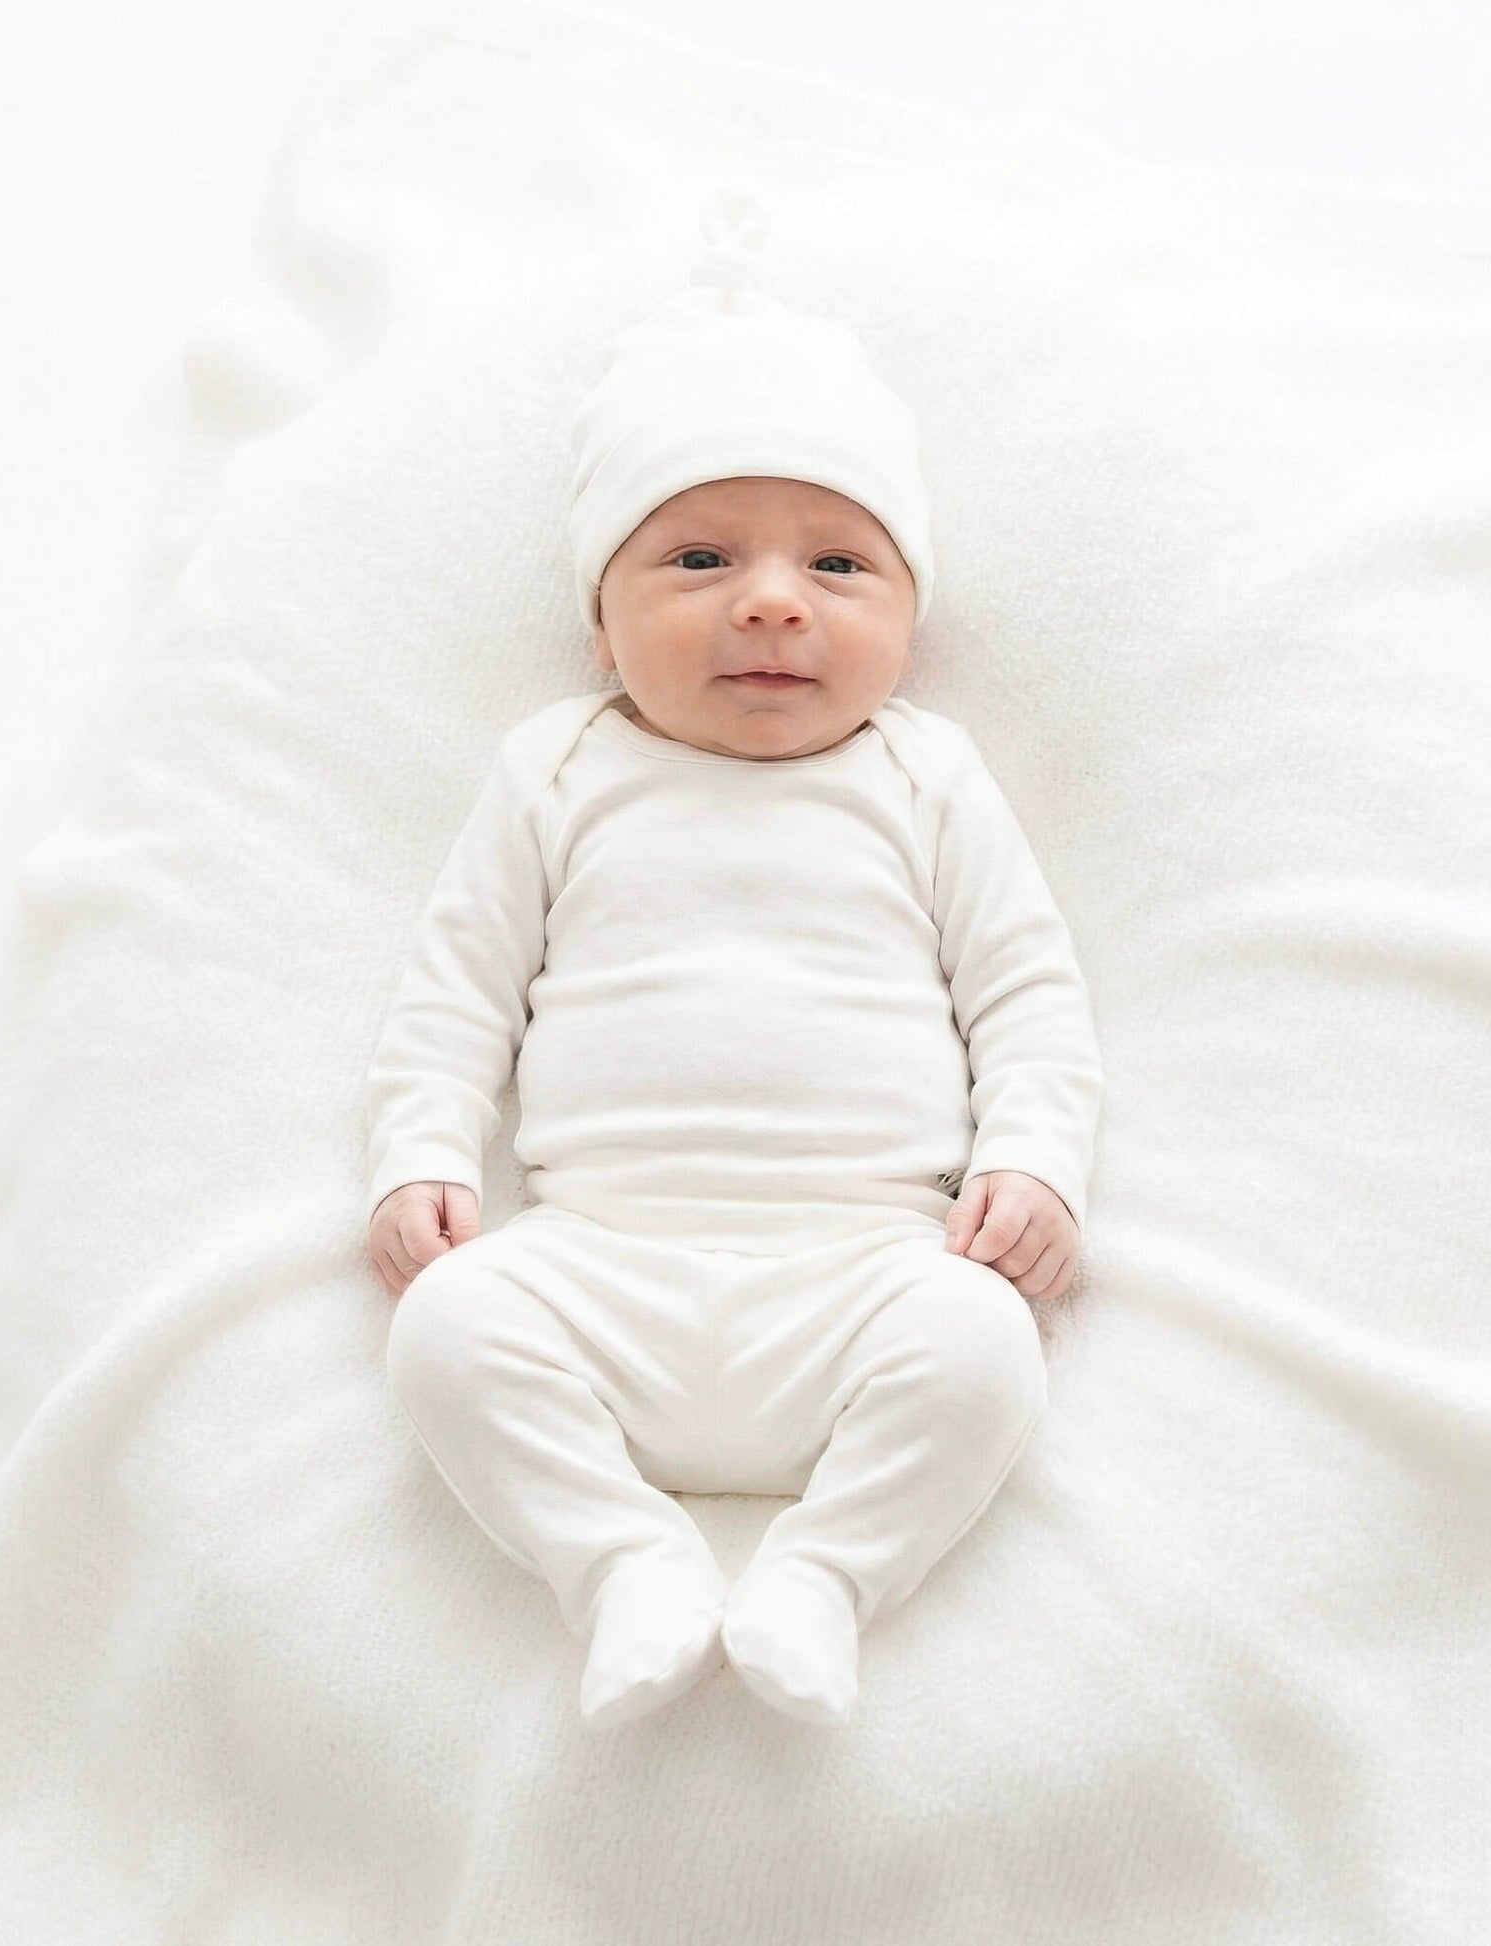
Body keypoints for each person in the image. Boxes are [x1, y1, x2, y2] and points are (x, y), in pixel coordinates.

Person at [364, 188, 1102, 1732]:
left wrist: (1036, 1160)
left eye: (839, 567)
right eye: (699, 557)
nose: (771, 596)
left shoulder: (925, 777)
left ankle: (826, 1573)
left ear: (907, 616)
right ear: (599, 624)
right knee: (442, 1329)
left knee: (986, 1354)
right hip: (601, 1264)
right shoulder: (557, 772)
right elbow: (457, 991)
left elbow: (1026, 994)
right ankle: (617, 1555)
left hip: (865, 1269)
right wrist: (417, 1146)